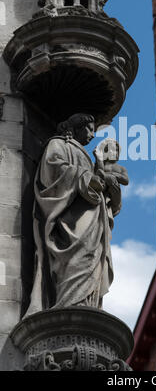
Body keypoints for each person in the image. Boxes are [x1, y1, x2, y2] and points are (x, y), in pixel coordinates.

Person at [25, 114, 121, 316]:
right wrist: (87, 177)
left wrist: (102, 175)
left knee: (91, 257)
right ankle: (68, 303)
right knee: (76, 257)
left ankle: (87, 302)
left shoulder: (83, 153)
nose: (93, 134)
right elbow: (53, 169)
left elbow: (97, 182)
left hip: (93, 217)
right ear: (77, 127)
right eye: (89, 128)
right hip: (72, 218)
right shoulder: (58, 144)